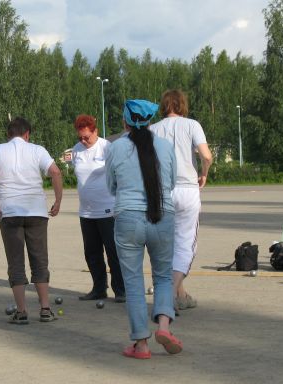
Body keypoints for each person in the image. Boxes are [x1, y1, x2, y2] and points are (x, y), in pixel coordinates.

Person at [106, 99, 181, 358]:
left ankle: (141, 344)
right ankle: (164, 327)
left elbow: (111, 185)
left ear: (125, 121)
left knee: (133, 281)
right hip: (163, 215)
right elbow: (171, 182)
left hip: (128, 217)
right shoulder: (165, 146)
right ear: (150, 121)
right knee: (163, 276)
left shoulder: (115, 147)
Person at [0, 117, 62, 324]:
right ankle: (45, 309)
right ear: (27, 134)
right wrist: (58, 200)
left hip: (9, 212)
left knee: (15, 262)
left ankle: (22, 311)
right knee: (39, 260)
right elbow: (55, 172)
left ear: (9, 134)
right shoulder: (38, 150)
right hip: (36, 212)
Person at [149, 89, 213, 312]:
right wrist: (204, 173)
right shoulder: (192, 125)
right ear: (182, 105)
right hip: (186, 189)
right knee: (186, 245)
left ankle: (181, 295)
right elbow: (206, 156)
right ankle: (168, 296)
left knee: (168, 245)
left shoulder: (153, 129)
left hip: (161, 191)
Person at [72, 114, 125, 302]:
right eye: (80, 137)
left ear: (95, 131)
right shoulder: (76, 150)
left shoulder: (107, 147)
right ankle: (99, 288)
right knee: (92, 253)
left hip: (108, 209)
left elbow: (119, 174)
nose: (83, 141)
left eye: (86, 137)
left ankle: (120, 290)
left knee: (113, 252)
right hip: (86, 211)